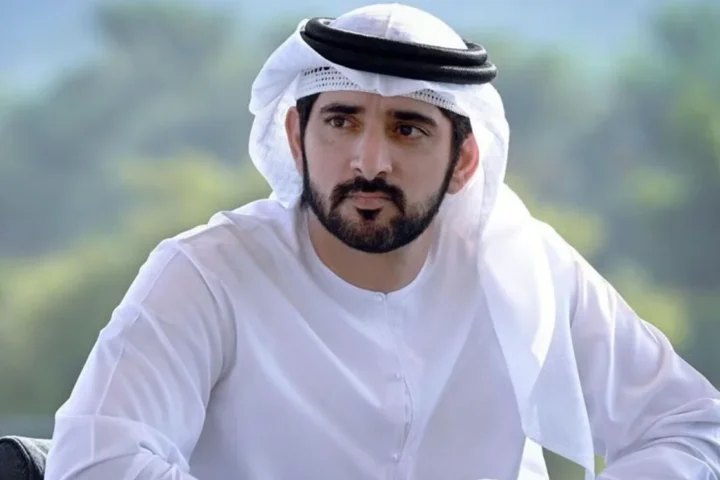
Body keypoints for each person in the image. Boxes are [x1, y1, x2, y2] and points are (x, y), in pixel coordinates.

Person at [45, 4, 720, 480]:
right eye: (341, 122)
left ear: (463, 161)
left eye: (408, 128)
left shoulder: (526, 266)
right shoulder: (207, 272)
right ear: (296, 138)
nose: (370, 162)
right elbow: (95, 462)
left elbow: (693, 428)